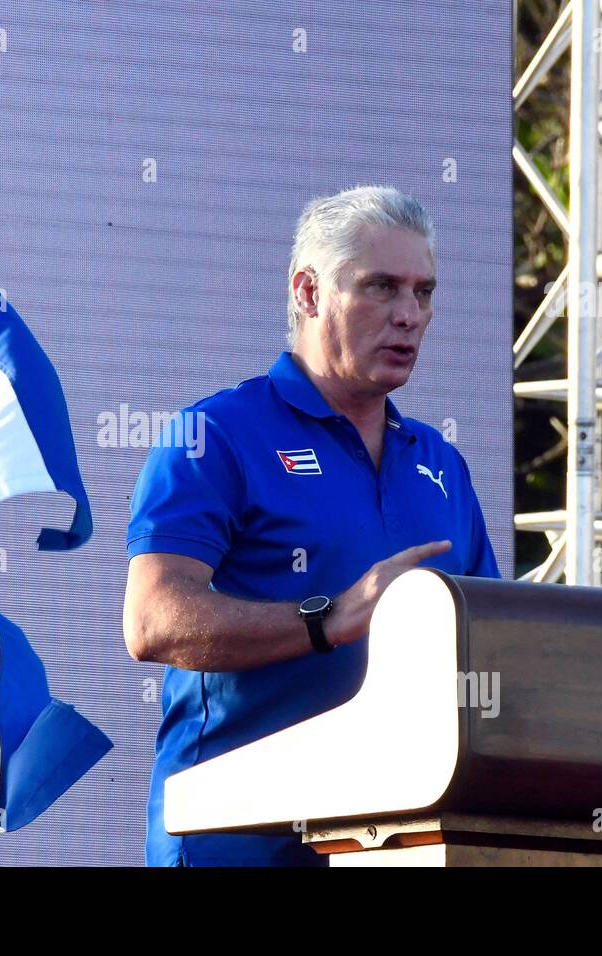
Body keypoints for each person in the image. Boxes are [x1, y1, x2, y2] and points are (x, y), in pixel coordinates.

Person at [122, 184, 502, 866]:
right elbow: (152, 621)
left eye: (424, 292)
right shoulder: (215, 435)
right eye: (381, 287)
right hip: (235, 847)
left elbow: (490, 644)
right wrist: (329, 618)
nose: (409, 315)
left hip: (395, 846)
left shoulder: (440, 460)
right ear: (307, 292)